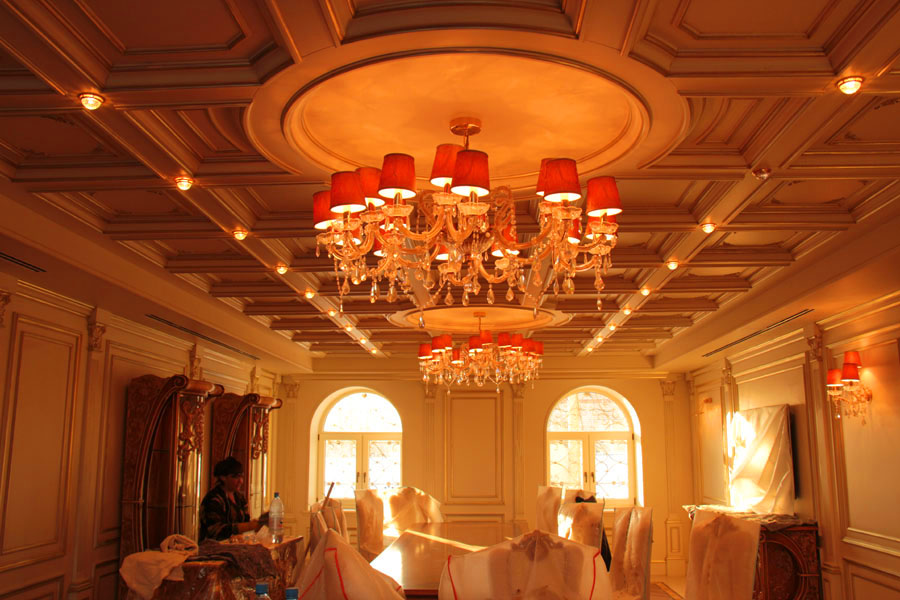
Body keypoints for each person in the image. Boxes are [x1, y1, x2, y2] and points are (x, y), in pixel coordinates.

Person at [200, 456, 266, 541]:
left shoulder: (240, 498)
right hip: (214, 547)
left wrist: (260, 523)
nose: (240, 481)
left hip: (236, 544)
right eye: (236, 477)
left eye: (241, 477)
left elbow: (246, 521)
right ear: (223, 477)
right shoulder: (213, 499)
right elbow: (216, 531)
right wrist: (250, 526)